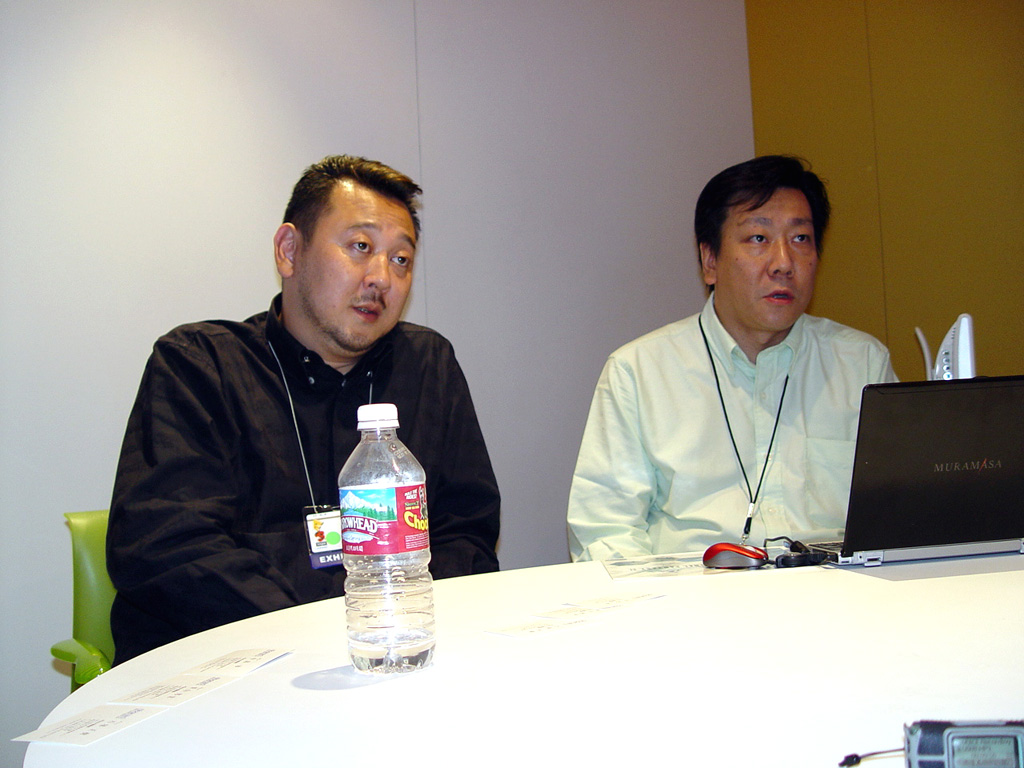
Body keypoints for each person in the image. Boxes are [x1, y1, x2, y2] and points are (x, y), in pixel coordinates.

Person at [108, 155, 500, 663]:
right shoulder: (200, 365)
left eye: (401, 259)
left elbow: (466, 532)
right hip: (230, 668)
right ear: (289, 251)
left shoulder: (427, 365)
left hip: (393, 656)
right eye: (361, 247)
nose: (382, 278)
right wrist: (318, 636)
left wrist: (392, 627)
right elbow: (169, 547)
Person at [567, 155, 896, 561]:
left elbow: (899, 514)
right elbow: (604, 533)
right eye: (758, 238)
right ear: (710, 261)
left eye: (800, 239)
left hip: (839, 593)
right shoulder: (639, 372)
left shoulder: (862, 365)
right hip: (693, 595)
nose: (783, 263)